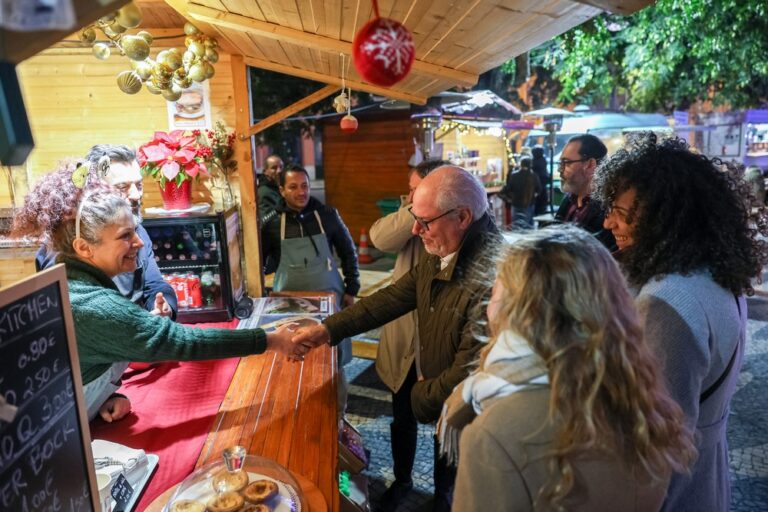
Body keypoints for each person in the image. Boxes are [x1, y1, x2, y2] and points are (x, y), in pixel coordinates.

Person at [12, 162, 302, 424]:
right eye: (125, 236)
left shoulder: (74, 285)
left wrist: (104, 398)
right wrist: (271, 340)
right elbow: (182, 341)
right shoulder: (93, 305)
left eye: (134, 231)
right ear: (84, 248)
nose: (139, 242)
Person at [293, 165, 500, 512]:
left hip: (467, 411)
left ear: (462, 216)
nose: (416, 230)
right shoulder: (444, 252)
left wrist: (418, 395)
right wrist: (327, 330)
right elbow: (390, 299)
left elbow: (468, 371)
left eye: (425, 221)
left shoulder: (490, 275)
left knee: (463, 478)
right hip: (440, 398)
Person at [445, 226, 696, 511]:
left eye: (496, 290)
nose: (489, 303)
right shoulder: (639, 398)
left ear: (518, 309)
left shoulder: (494, 435)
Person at [594, 132, 768, 511]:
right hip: (703, 478)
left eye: (622, 213)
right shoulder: (716, 274)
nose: (609, 223)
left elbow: (653, 443)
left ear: (666, 220)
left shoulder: (666, 304)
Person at [367, 158, 449, 509]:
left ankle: (443, 495)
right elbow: (379, 238)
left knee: (446, 426)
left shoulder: (454, 223)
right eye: (411, 190)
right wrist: (416, 208)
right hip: (405, 343)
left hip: (442, 347)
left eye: (419, 190)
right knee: (402, 418)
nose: (410, 196)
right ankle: (402, 480)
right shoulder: (411, 221)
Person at [36, 145, 177, 319]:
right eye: (122, 187)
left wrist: (164, 307)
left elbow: (155, 284)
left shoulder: (137, 231)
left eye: (138, 185)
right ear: (94, 192)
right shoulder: (60, 249)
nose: (135, 195)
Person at [554, 134, 616, 250]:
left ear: (590, 164)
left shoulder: (609, 206)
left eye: (566, 163)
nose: (559, 169)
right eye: (560, 163)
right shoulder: (569, 199)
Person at [499, 156, 541, 228]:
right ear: (530, 164)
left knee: (516, 227)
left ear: (521, 164)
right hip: (529, 204)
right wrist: (533, 196)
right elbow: (539, 190)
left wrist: (509, 200)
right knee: (528, 227)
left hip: (516, 204)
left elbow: (507, 189)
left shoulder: (514, 175)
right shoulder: (534, 175)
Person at [257, 154, 284, 220]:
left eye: (281, 167)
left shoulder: (277, 186)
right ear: (265, 171)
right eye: (274, 168)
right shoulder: (264, 192)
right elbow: (266, 221)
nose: (279, 171)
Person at [531, 145, 550, 215]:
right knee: (542, 198)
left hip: (538, 182)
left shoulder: (535, 161)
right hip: (543, 180)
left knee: (539, 199)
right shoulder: (543, 159)